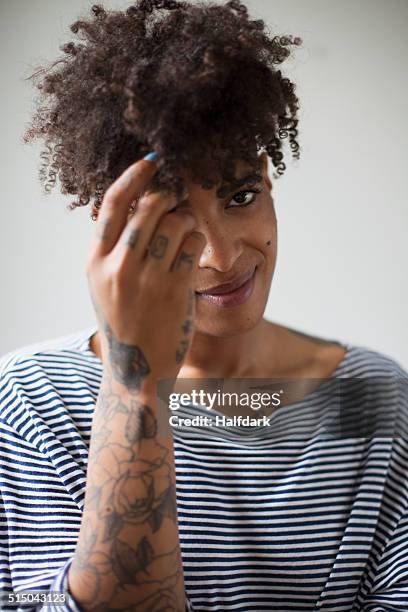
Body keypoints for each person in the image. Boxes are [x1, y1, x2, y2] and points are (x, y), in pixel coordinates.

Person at [1, 0, 407, 610]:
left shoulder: (373, 398)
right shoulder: (34, 399)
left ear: (269, 182)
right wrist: (136, 384)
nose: (219, 255)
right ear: (113, 224)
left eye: (241, 195)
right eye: (175, 217)